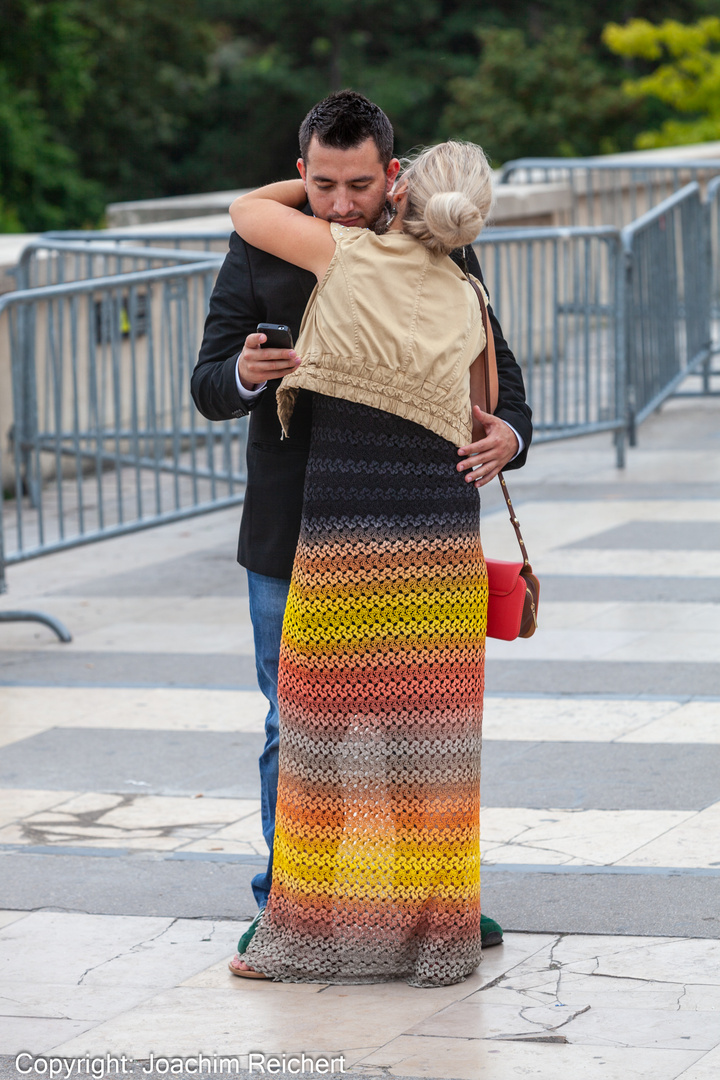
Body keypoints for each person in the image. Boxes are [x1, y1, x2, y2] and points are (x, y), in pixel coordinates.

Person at [190, 91, 532, 958]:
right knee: (296, 726)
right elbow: (204, 385)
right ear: (302, 173)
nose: (341, 204)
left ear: (394, 177)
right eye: (323, 183)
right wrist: (246, 371)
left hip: (413, 521)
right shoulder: (261, 247)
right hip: (289, 525)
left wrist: (509, 435)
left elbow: (501, 376)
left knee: (420, 725)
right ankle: (289, 902)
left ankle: (431, 905)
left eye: (359, 184)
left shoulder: (445, 250)